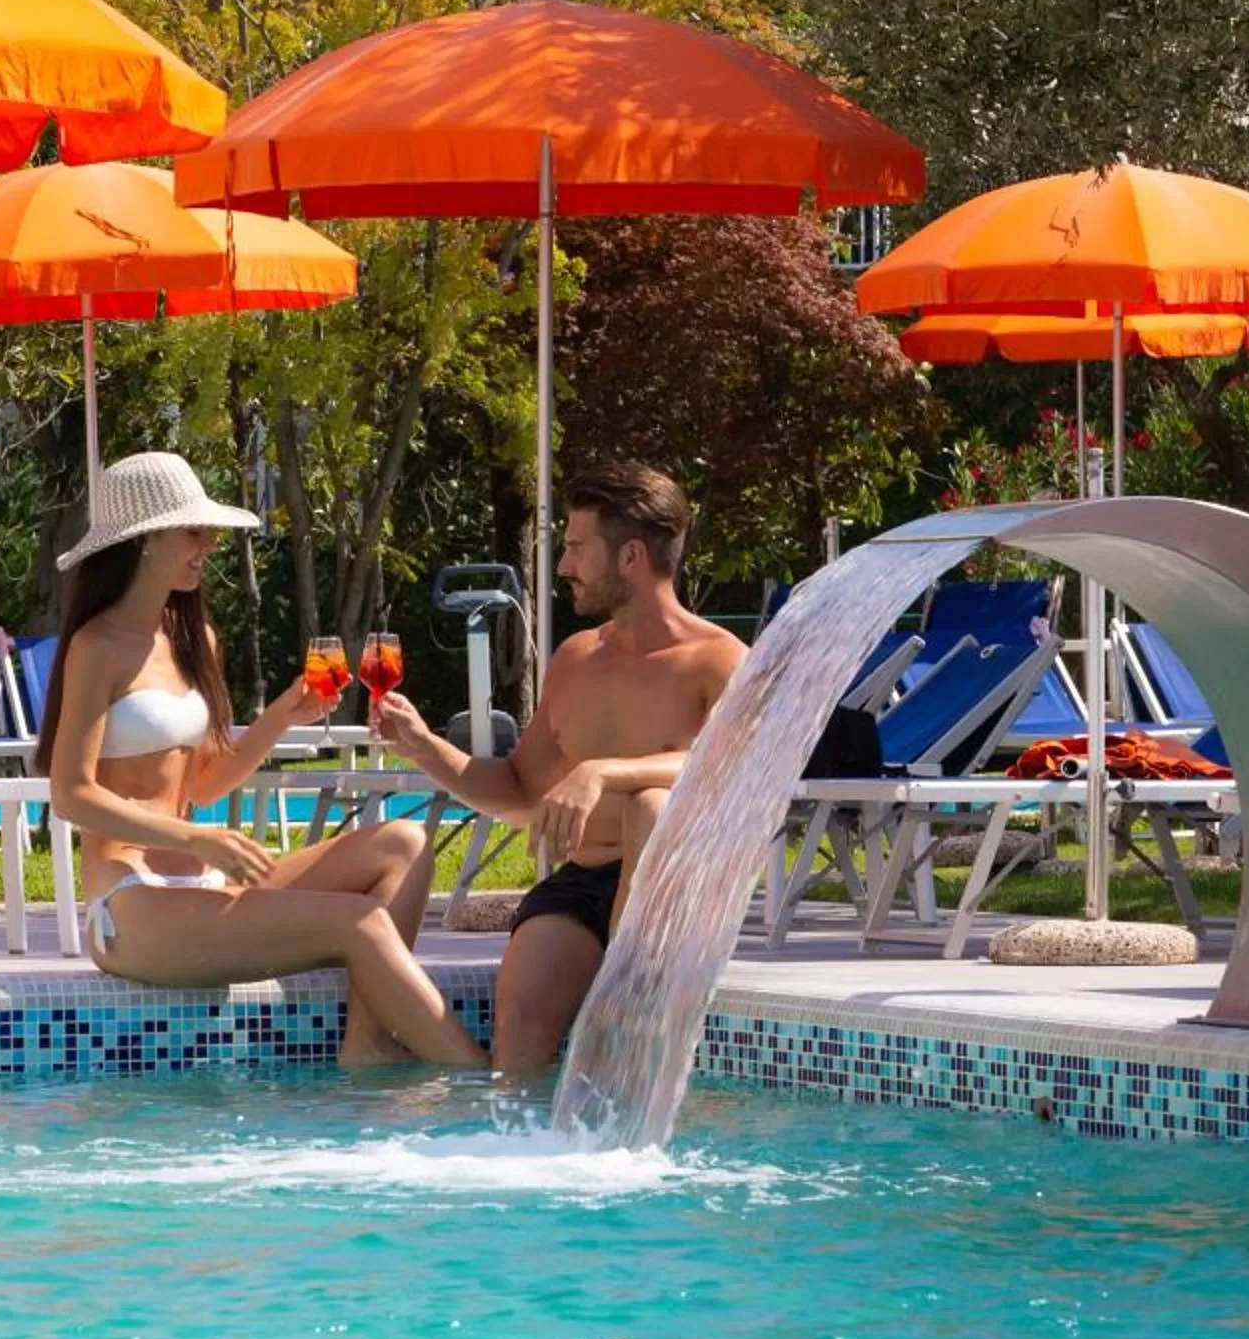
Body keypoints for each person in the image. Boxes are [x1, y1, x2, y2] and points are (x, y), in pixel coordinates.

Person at [42, 452, 485, 1069]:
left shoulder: (195, 637)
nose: (210, 544)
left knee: (405, 844)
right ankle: (488, 1086)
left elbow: (203, 779)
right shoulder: (97, 649)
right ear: (145, 541)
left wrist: (280, 716)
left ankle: (369, 1042)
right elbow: (71, 794)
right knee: (360, 925)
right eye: (193, 530)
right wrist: (194, 839)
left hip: (207, 885)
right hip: (134, 903)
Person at [370, 462, 744, 1075]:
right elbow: (520, 792)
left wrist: (602, 771)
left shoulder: (719, 661)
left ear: (629, 557)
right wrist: (425, 747)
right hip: (582, 884)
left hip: (675, 894)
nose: (564, 566)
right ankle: (529, 1162)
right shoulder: (576, 660)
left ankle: (628, 1038)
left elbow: (728, 770)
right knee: (519, 1026)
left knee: (651, 804)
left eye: (575, 548)